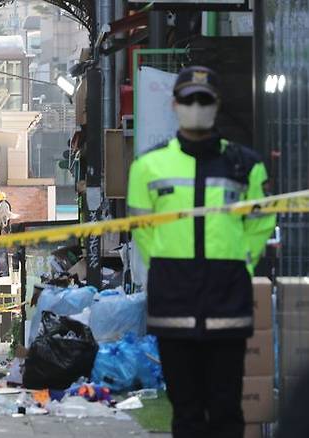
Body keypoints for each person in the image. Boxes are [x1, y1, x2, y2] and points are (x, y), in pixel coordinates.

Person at [127, 66, 276, 438]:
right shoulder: (147, 166)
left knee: (227, 410)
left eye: (204, 99)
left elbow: (260, 223)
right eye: (189, 99)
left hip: (227, 300)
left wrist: (242, 260)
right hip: (173, 301)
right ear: (175, 104)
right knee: (186, 411)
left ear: (216, 105)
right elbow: (141, 229)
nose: (196, 106)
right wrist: (163, 260)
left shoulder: (246, 165)